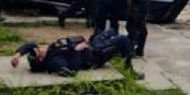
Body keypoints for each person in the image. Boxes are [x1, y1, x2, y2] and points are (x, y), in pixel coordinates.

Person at [10, 28, 142, 78]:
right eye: (38, 50)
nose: (38, 47)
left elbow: (30, 46)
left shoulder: (49, 52)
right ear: (40, 58)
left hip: (89, 47)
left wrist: (17, 54)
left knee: (111, 31)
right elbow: (71, 71)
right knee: (123, 40)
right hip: (94, 56)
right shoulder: (54, 62)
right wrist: (76, 50)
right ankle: (130, 70)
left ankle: (120, 54)